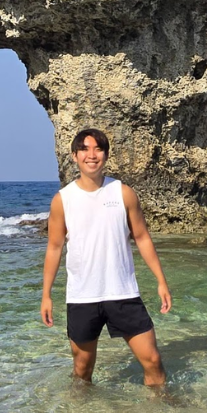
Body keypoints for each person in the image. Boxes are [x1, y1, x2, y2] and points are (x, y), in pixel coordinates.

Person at [40, 128, 172, 386]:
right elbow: (54, 247)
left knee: (153, 361)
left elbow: (142, 237)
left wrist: (161, 281)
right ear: (74, 156)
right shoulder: (62, 200)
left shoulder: (123, 193)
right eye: (85, 149)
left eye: (98, 149)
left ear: (106, 155)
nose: (92, 155)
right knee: (82, 369)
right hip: (82, 296)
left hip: (123, 293)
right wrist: (46, 295)